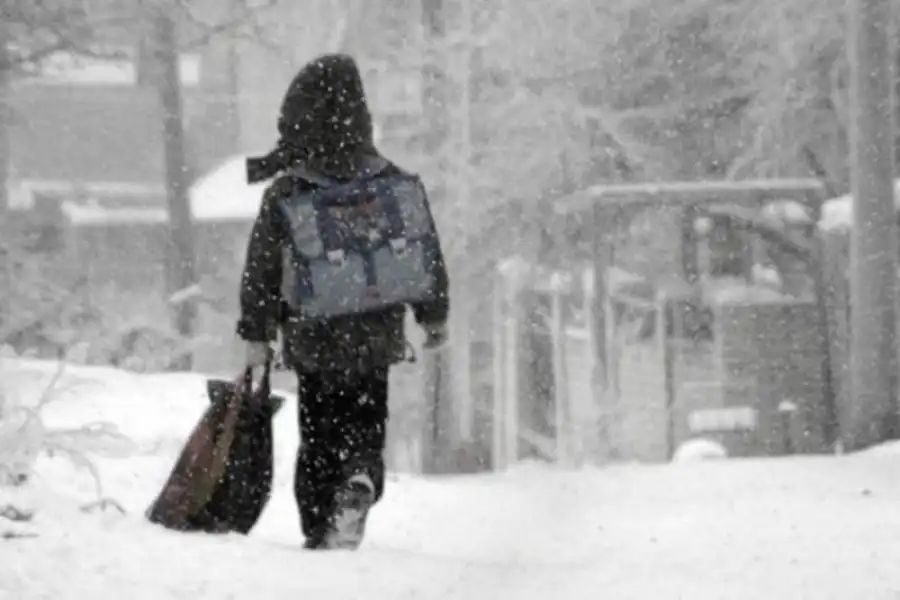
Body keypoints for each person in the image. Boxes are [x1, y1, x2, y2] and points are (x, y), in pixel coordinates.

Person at [236, 53, 450, 550]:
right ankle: (360, 477)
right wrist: (434, 315)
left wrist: (257, 334)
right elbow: (425, 249)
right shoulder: (390, 178)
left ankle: (319, 526)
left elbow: (262, 269)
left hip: (313, 334)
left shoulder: (289, 189)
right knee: (366, 419)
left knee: (319, 428)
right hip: (377, 331)